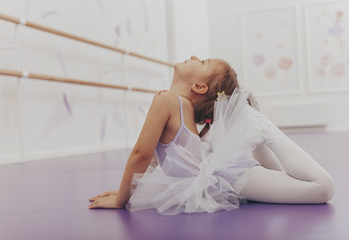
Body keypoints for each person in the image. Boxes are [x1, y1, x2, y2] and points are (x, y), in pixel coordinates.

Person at [89, 56, 334, 215]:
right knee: (299, 181)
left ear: (199, 87)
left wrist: (121, 200)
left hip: (235, 176)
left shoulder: (166, 100)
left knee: (323, 187)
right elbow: (151, 155)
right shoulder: (177, 104)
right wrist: (126, 192)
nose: (195, 57)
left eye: (203, 61)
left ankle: (257, 122)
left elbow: (140, 154)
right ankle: (255, 131)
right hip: (230, 179)